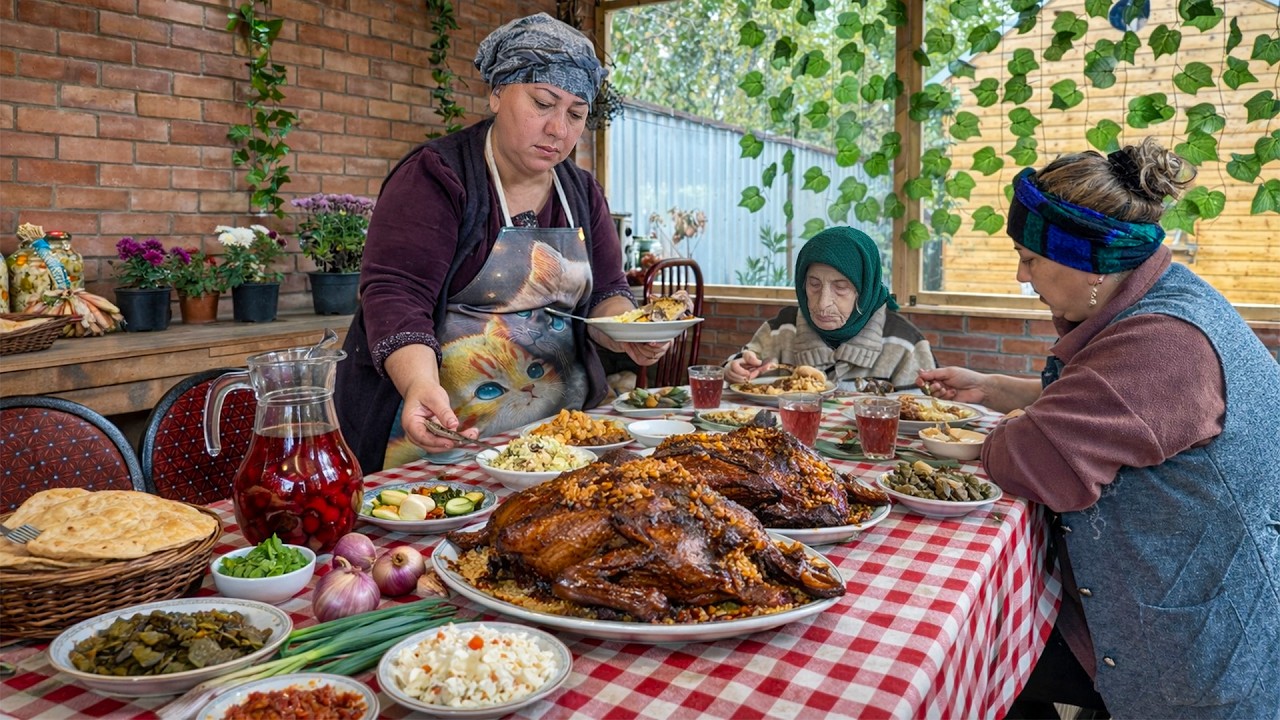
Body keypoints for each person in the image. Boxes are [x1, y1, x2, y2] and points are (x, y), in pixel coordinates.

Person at [917, 138, 1280, 719]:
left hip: (1193, 660)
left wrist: (988, 434)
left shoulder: (1162, 344)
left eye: (1030, 258)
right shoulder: (1170, 299)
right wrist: (997, 388)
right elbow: (1133, 419)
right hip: (1208, 603)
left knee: (969, 646)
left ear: (1087, 263)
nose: (1020, 275)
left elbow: (1028, 458)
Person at [335, 13, 668, 472]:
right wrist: (418, 384)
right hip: (445, 431)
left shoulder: (581, 192)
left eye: (576, 114)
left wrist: (632, 333)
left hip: (559, 439)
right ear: (496, 93)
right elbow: (396, 293)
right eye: (543, 103)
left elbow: (608, 296)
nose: (558, 129)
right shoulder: (439, 176)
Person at [724, 226, 934, 390]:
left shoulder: (904, 344)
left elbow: (923, 421)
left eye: (841, 287)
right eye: (814, 285)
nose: (822, 303)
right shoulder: (783, 328)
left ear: (865, 289)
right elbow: (740, 369)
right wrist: (735, 370)